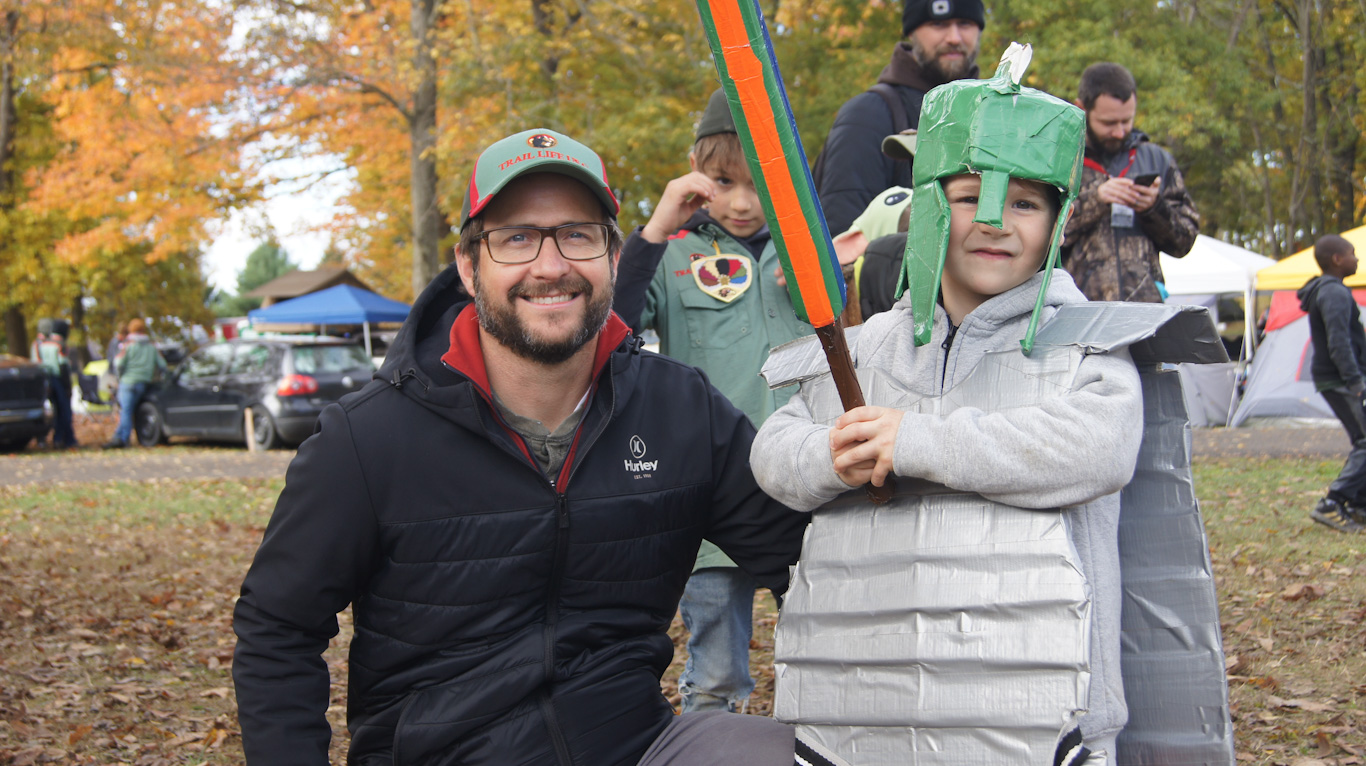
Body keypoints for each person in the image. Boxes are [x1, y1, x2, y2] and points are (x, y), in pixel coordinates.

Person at [232, 128, 812, 765]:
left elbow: (809, 562)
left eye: (577, 234)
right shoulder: (370, 437)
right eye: (516, 238)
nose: (551, 265)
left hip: (636, 746)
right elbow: (277, 631)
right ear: (467, 265)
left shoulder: (682, 413)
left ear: (614, 258)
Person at [751, 46, 1143, 764]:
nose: (995, 221)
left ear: (1056, 220)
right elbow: (775, 451)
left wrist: (917, 442)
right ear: (929, 203)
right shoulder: (865, 349)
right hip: (858, 715)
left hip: (1042, 719)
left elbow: (1098, 447)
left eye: (1024, 202)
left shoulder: (1087, 343)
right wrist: (828, 454)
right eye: (969, 197)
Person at [610, 89, 816, 714]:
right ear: (697, 172)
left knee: (821, 659)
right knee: (719, 673)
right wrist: (653, 230)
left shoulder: (811, 249)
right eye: (725, 181)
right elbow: (611, 330)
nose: (744, 202)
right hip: (711, 501)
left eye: (759, 183)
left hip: (804, 492)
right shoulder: (673, 254)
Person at [815, 0, 985, 236]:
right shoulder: (868, 115)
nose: (954, 37)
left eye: (964, 23)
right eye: (938, 24)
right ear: (912, 31)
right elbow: (842, 241)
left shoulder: (992, 117)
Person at [1061, 61, 1199, 303]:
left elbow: (1184, 242)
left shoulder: (1156, 160)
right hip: (1078, 312)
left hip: (1145, 314)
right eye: (1109, 123)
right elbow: (1040, 236)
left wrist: (1154, 208)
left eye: (1127, 121)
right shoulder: (1060, 159)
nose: (1120, 131)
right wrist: (1096, 199)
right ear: (1081, 108)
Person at [1298, 234, 1366, 533]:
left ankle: (1357, 505)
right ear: (1337, 259)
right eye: (1353, 253)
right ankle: (1333, 501)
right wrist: (1356, 382)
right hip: (1341, 379)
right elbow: (1339, 342)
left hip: (1337, 377)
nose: (1357, 258)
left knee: (1362, 440)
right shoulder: (1334, 293)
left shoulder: (1330, 291)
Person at [104, 318, 166, 449]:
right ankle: (117, 437)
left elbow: (118, 363)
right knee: (129, 410)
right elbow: (163, 364)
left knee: (126, 411)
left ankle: (123, 440)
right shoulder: (152, 346)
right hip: (144, 383)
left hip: (128, 382)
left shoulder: (128, 345)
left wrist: (120, 377)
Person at [31, 318, 77, 449]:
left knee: (55, 410)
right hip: (58, 380)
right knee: (64, 411)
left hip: (45, 379)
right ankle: (64, 439)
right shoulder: (59, 344)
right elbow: (62, 366)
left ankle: (59, 438)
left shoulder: (42, 344)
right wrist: (67, 386)